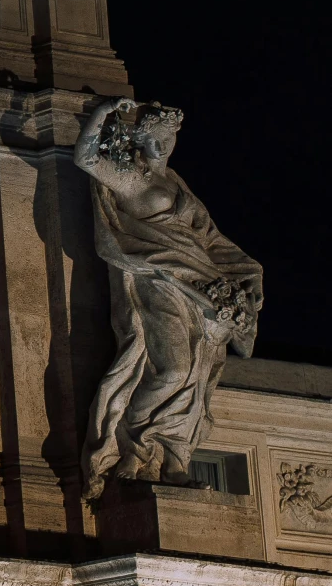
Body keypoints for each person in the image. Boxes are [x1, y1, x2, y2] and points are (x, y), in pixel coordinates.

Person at [76, 98, 263, 495]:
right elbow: (86, 158)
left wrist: (245, 275)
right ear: (141, 140)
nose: (163, 146)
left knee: (197, 376)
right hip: (160, 280)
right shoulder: (132, 179)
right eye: (156, 139)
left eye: (169, 139)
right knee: (175, 369)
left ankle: (176, 461)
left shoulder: (176, 183)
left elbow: (208, 239)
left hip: (203, 285)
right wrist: (102, 113)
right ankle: (134, 446)